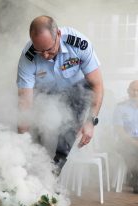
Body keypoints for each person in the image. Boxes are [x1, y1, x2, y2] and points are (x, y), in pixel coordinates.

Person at [17, 16, 103, 171]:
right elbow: (25, 102)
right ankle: (36, 174)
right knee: (37, 134)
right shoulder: (28, 57)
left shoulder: (79, 44)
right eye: (39, 50)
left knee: (67, 132)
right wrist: (22, 139)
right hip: (45, 91)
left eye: (49, 50)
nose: (44, 56)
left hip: (77, 89)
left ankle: (54, 173)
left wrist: (90, 122)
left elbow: (97, 85)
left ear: (58, 34)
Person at [113, 80, 138, 193]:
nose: (135, 93)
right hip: (126, 141)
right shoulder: (120, 108)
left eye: (137, 90)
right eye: (133, 90)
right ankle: (135, 182)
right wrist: (133, 142)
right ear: (128, 91)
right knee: (132, 151)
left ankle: (133, 179)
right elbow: (119, 131)